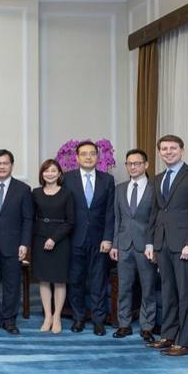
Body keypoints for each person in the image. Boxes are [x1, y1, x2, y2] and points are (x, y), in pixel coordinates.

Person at [146, 134, 188, 356]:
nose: (168, 152)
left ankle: (185, 342)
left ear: (182, 150)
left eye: (172, 148)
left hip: (185, 246)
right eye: (164, 149)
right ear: (159, 152)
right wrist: (152, 244)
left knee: (185, 293)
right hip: (163, 244)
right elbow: (155, 213)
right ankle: (168, 336)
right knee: (168, 292)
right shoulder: (157, 178)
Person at [64, 140, 115, 336]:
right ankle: (78, 318)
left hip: (99, 240)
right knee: (75, 281)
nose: (88, 157)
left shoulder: (107, 180)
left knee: (98, 282)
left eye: (92, 153)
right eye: (83, 153)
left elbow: (110, 212)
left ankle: (98, 321)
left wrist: (108, 238)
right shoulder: (67, 179)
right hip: (74, 239)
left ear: (97, 156)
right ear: (76, 157)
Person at [0, 149, 33, 335]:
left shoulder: (23, 189)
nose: (1, 166)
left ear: (12, 165)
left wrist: (24, 244)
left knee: (12, 284)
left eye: (5, 163)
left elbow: (28, 219)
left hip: (13, 244)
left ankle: (10, 321)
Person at [110, 149, 157, 342]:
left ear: (146, 165)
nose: (133, 167)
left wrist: (152, 245)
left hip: (146, 246)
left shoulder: (155, 188)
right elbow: (116, 219)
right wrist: (114, 244)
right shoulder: (120, 188)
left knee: (148, 288)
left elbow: (156, 220)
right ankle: (124, 324)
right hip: (123, 245)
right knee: (124, 287)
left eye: (137, 163)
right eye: (129, 163)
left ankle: (147, 327)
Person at [31, 159, 74, 334]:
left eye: (53, 170)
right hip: (39, 239)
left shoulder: (67, 194)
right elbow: (30, 218)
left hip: (61, 241)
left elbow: (71, 221)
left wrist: (54, 239)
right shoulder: (35, 193)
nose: (49, 173)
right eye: (46, 171)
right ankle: (47, 315)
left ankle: (57, 316)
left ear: (59, 174)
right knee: (44, 279)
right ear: (42, 174)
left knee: (59, 280)